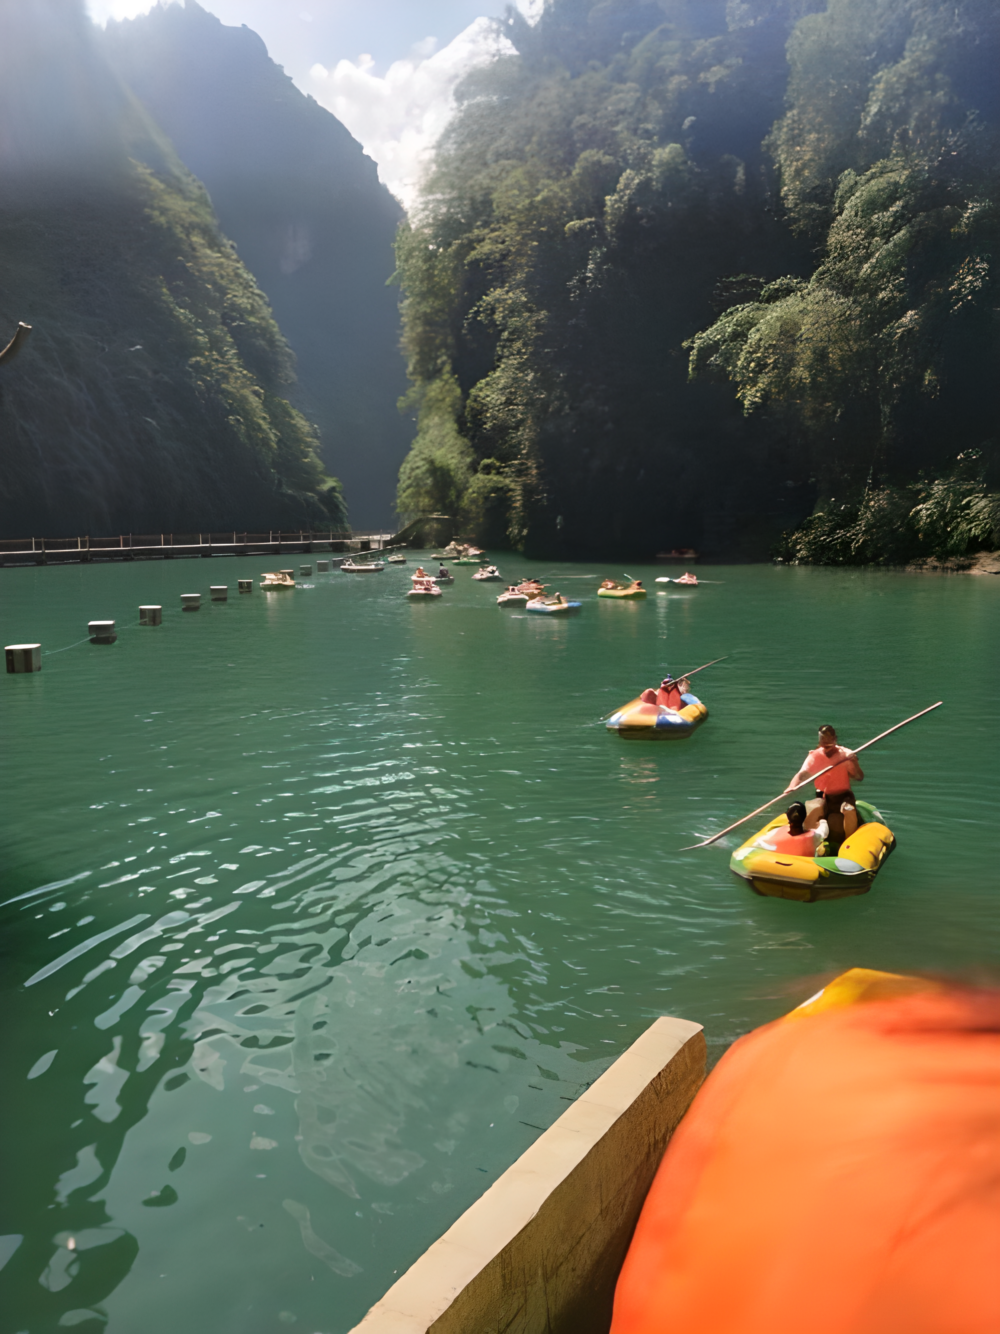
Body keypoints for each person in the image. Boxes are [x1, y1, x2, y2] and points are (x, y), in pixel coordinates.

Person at [785, 725, 864, 838]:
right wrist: (792, 786)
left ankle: (849, 841)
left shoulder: (845, 755)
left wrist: (855, 762)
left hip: (844, 796)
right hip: (825, 795)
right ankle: (810, 840)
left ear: (835, 739)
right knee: (815, 809)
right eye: (823, 739)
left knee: (848, 810)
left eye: (829, 739)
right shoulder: (815, 756)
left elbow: (859, 777)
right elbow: (801, 774)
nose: (826, 743)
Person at [757, 802, 829, 856]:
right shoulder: (813, 836)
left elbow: (759, 842)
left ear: (788, 817)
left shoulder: (776, 833)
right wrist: (823, 821)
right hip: (803, 868)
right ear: (804, 817)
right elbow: (824, 832)